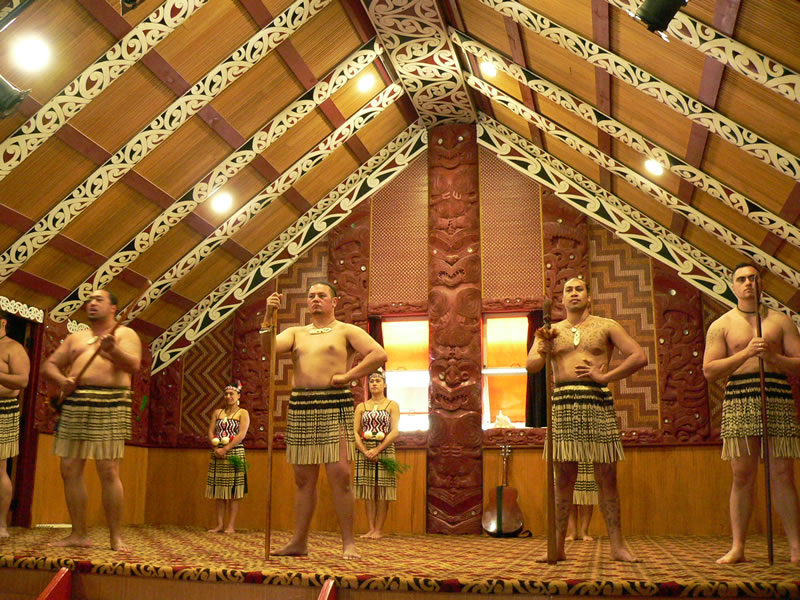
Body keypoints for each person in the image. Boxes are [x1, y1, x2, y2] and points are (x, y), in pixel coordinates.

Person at [527, 276, 647, 562]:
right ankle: (557, 545)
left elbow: (638, 356)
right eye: (568, 289)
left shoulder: (606, 326)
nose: (573, 293)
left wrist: (606, 376)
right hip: (564, 402)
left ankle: (617, 546)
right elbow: (531, 366)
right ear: (563, 299)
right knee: (563, 477)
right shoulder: (549, 331)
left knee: (607, 476)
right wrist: (542, 351)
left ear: (589, 296)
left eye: (579, 289)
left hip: (597, 400)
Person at [265, 281, 387, 559]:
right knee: (303, 479)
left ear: (334, 301)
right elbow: (269, 347)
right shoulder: (296, 333)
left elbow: (379, 354)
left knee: (341, 474)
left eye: (321, 295)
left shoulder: (346, 330)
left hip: (335, 404)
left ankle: (349, 543)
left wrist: (348, 376)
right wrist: (267, 316)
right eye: (311, 296)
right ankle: (299, 542)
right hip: (302, 405)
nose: (315, 300)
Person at [703, 262, 800, 564]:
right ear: (733, 286)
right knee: (742, 474)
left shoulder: (780, 322)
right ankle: (738, 547)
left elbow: (799, 361)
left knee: (783, 473)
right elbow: (709, 370)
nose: (748, 284)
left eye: (753, 278)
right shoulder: (722, 325)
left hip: (776, 394)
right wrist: (745, 353)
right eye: (741, 279)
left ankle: (796, 546)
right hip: (740, 396)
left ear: (761, 284)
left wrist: (772, 356)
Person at [42, 290, 142, 551]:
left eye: (99, 299)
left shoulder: (125, 335)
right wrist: (63, 380)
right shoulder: (76, 338)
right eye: (89, 300)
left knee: (108, 470)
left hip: (111, 402)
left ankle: (116, 537)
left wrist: (113, 350)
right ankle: (78, 534)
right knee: (70, 469)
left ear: (113, 308)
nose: (92, 303)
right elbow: (48, 366)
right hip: (76, 403)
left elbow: (133, 366)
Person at [353, 370, 400, 539]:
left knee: (383, 489)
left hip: (384, 449)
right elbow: (355, 432)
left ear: (384, 385)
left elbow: (394, 432)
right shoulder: (361, 407)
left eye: (378, 381)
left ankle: (379, 529)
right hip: (365, 450)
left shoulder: (391, 405)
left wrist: (378, 450)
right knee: (368, 490)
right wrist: (365, 451)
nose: (374, 383)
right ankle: (371, 528)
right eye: (372, 381)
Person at [0, 311, 30, 539]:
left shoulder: (13, 348)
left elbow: (21, 381)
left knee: (0, 470)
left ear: (3, 322)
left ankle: (1, 524)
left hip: (3, 410)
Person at [206, 380, 250, 533]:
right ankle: (219, 524)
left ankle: (231, 525)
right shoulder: (217, 412)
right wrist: (215, 447)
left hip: (234, 452)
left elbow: (241, 434)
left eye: (231, 394)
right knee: (219, 491)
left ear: (238, 396)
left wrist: (226, 448)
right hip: (218, 453)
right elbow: (211, 431)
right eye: (226, 394)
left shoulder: (243, 413)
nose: (228, 396)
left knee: (233, 492)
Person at [565, 463, 596, 541]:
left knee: (587, 492)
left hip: (587, 456)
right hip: (568, 454)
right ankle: (572, 532)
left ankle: (584, 532)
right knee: (568, 492)